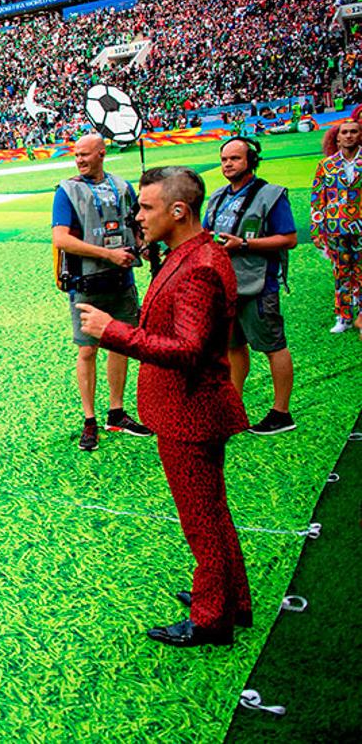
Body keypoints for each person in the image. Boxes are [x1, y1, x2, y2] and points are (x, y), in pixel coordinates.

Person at [78, 166, 250, 647]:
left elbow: (187, 349)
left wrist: (112, 331)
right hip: (189, 408)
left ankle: (212, 617)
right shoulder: (194, 252)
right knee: (211, 511)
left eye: (146, 208)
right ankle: (228, 599)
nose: (137, 216)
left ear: (179, 211)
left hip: (189, 410)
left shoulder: (199, 265)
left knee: (202, 519)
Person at [51, 134, 152, 450]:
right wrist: (107, 254)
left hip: (121, 281)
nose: (79, 160)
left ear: (102, 154)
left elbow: (137, 225)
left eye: (84, 154)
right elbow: (61, 240)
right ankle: (89, 420)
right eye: (76, 155)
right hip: (86, 284)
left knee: (120, 345)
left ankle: (116, 412)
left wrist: (145, 246)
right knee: (87, 350)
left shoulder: (123, 187)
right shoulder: (67, 190)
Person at [203, 137, 297, 434]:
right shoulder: (217, 196)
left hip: (258, 283)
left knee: (273, 347)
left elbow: (289, 238)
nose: (228, 164)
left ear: (251, 161)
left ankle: (281, 413)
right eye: (224, 159)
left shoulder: (271, 195)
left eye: (235, 159)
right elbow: (206, 232)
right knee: (233, 347)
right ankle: (233, 408)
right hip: (223, 284)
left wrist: (244, 243)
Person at [309, 117, 362, 338]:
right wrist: (316, 230)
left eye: (353, 131)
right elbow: (317, 199)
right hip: (335, 227)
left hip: (360, 226)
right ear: (337, 137)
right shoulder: (326, 165)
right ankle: (344, 317)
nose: (349, 135)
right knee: (341, 273)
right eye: (344, 132)